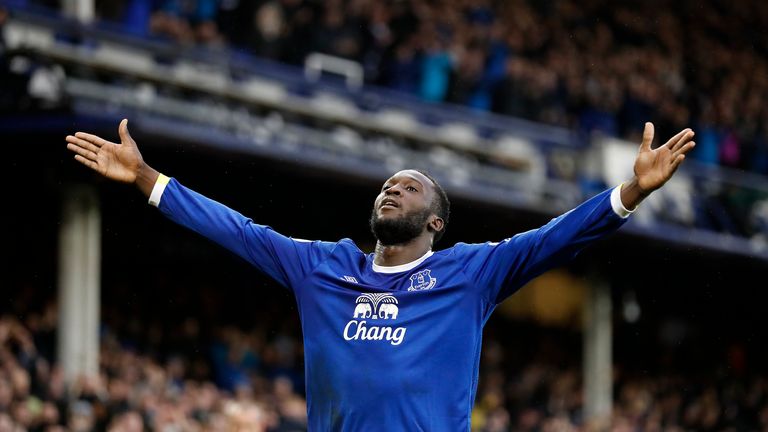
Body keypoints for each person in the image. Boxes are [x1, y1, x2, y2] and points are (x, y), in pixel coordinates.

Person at [65, 119, 695, 431]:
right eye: (389, 184)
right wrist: (149, 180)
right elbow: (239, 231)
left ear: (436, 222)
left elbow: (555, 239)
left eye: (411, 187)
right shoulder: (322, 267)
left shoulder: (470, 273)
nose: (393, 188)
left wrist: (630, 192)